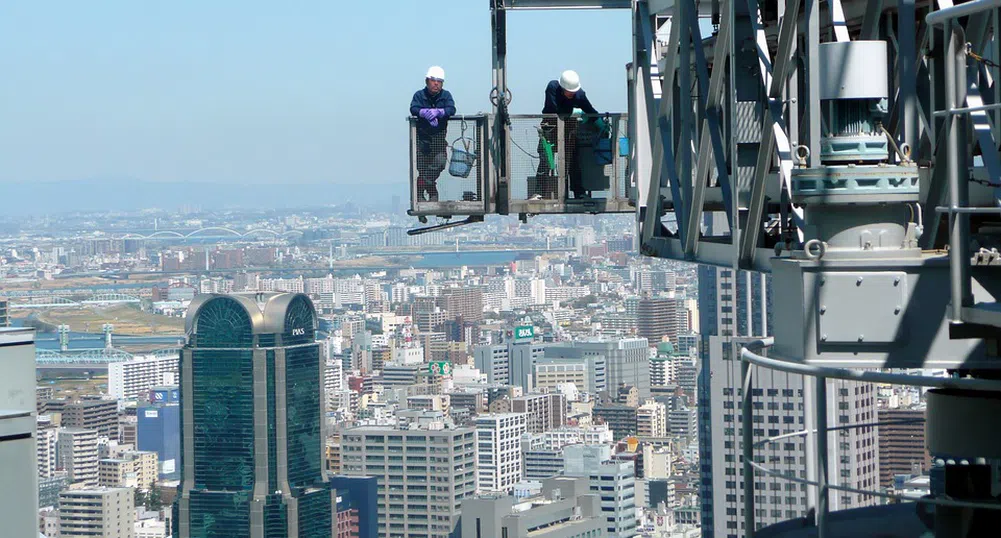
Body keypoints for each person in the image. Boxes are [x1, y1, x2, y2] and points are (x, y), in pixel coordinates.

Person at [536, 70, 600, 199]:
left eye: (573, 92)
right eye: (569, 92)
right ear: (562, 87)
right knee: (545, 159)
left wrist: (597, 120)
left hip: (568, 129)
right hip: (550, 127)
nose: (571, 94)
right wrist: (574, 112)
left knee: (573, 161)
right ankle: (539, 193)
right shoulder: (552, 87)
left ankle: (578, 192)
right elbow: (553, 109)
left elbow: (590, 111)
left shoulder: (580, 95)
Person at [410, 65, 456, 202]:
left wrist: (440, 112)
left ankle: (421, 187)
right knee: (422, 168)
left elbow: (451, 109)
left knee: (440, 163)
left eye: (439, 81)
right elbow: (413, 108)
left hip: (439, 139)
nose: (436, 84)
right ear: (427, 81)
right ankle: (427, 194)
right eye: (433, 80)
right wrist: (422, 112)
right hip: (422, 139)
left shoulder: (446, 95)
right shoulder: (419, 95)